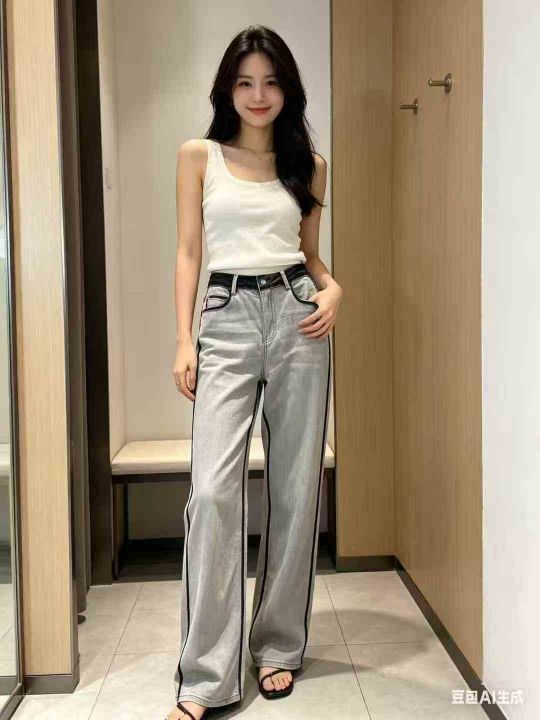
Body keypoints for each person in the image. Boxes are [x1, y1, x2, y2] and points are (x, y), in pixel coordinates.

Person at [167, 24, 342, 720]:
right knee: (213, 492)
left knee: (296, 488)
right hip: (226, 316)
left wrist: (334, 289)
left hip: (299, 317)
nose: (258, 95)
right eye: (245, 82)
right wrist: (184, 340)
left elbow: (310, 255)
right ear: (227, 90)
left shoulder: (310, 166)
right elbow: (188, 251)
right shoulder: (199, 156)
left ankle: (277, 646)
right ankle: (205, 677)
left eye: (271, 82)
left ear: (287, 89)